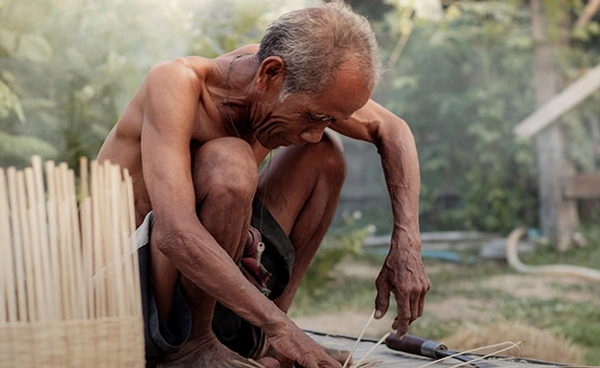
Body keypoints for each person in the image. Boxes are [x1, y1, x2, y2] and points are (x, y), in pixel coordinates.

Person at [97, 1, 430, 367]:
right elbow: (176, 234)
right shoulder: (177, 84)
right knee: (231, 162)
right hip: (130, 294)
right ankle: (193, 347)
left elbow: (393, 130)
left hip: (208, 280)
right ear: (270, 74)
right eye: (313, 116)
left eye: (328, 119)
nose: (314, 131)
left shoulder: (291, 81)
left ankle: (260, 342)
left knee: (324, 156)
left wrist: (407, 243)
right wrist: (283, 328)